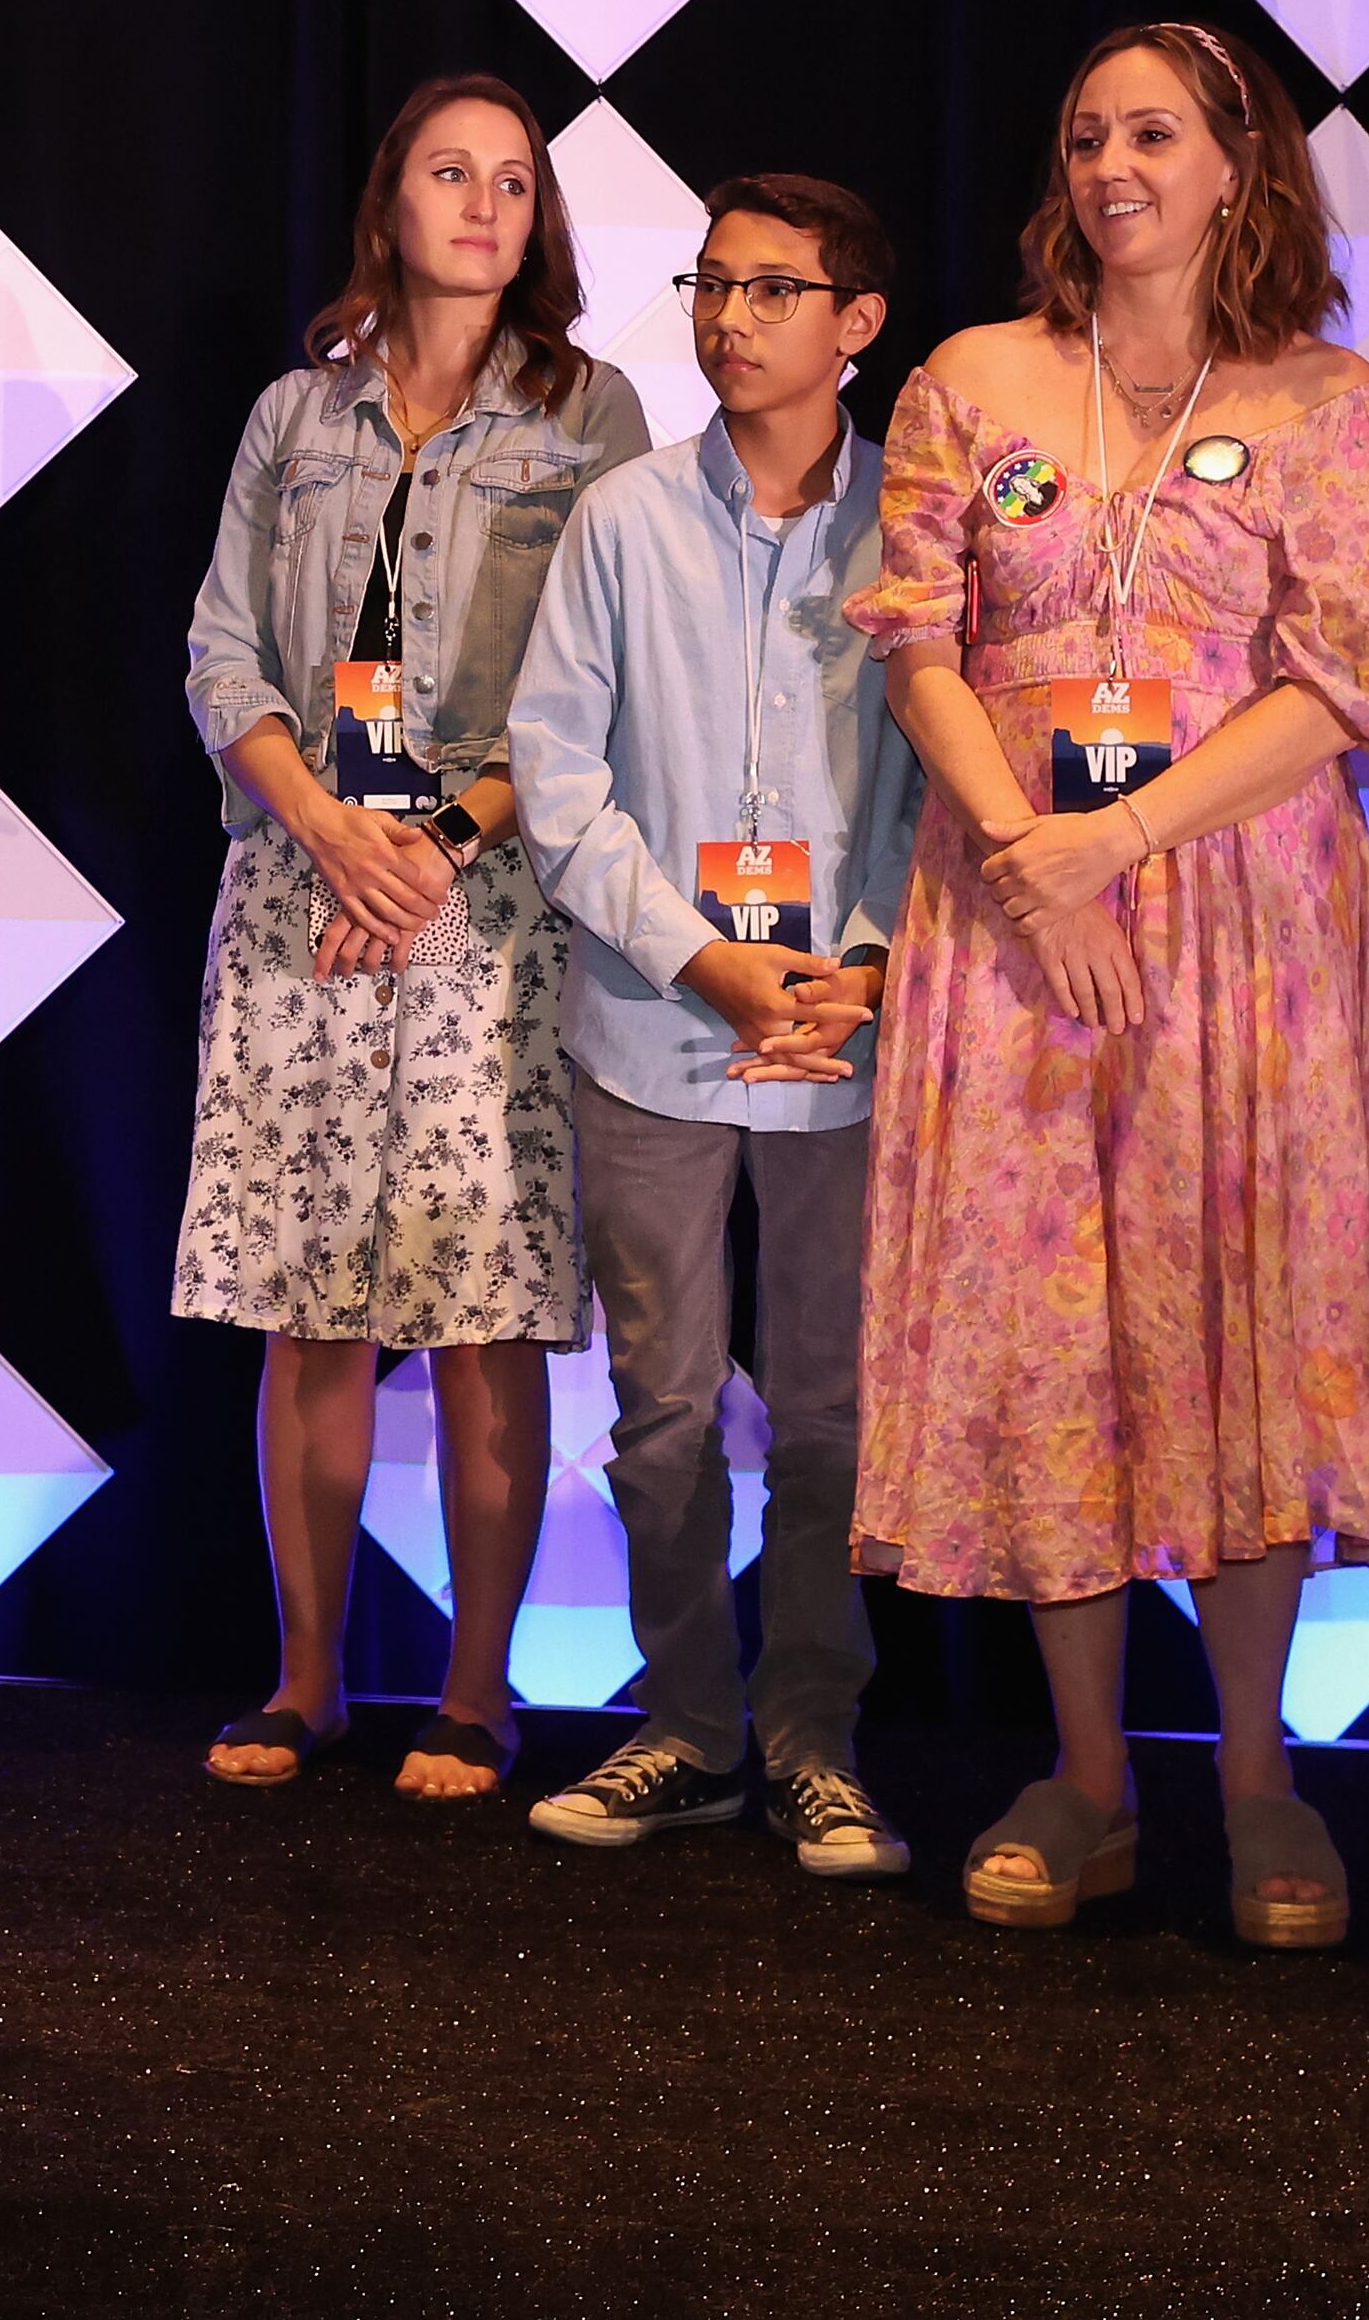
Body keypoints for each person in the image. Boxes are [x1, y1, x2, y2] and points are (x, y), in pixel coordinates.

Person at [847, 19, 1369, 1946]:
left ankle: (1259, 1775)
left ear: (1236, 165)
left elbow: (1345, 683)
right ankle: (1090, 1775)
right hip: (1016, 911)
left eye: (1155, 133)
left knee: (1234, 1319)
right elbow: (916, 637)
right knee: (1055, 1334)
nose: (1115, 164)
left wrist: (1126, 838)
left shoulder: (1333, 401)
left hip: (1238, 926)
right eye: (1089, 131)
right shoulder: (972, 375)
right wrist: (1035, 851)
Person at [177, 75, 649, 1803]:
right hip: (307, 893)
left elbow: (601, 681)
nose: (483, 204)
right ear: (393, 201)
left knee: (481, 1308)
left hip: (490, 903)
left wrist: (439, 843)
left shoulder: (590, 417)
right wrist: (323, 826)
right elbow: (222, 653)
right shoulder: (294, 419)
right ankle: (306, 1677)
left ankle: (477, 1693)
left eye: (514, 181)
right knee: (307, 1306)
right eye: (451, 173)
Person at [509, 173, 924, 1876]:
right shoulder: (622, 518)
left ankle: (814, 1732)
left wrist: (872, 958)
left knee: (829, 1408)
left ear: (858, 322)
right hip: (657, 1026)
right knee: (663, 1408)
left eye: (771, 289)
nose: (729, 317)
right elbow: (556, 778)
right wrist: (702, 958)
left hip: (848, 1035)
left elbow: (942, 784)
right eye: (709, 283)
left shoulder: (923, 524)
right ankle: (687, 1722)